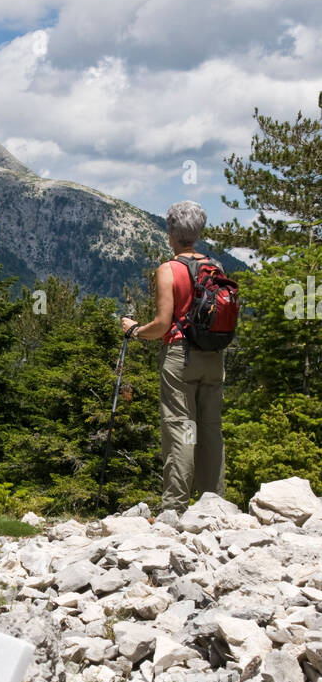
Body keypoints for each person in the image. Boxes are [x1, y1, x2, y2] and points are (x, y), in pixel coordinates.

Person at [121, 200, 225, 515]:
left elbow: (163, 325)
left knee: (181, 429)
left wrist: (134, 330)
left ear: (171, 233)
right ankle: (214, 506)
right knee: (209, 429)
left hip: (180, 358)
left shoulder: (169, 269)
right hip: (214, 356)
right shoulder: (216, 267)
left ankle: (175, 508)